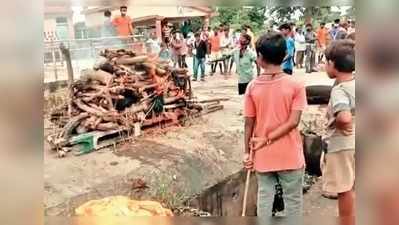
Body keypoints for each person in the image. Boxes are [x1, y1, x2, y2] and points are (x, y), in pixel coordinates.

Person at [243, 32, 307, 223]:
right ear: (286, 55)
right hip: (290, 155)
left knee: (264, 198)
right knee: (293, 201)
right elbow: (293, 122)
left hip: (262, 154)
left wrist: (247, 152)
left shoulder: (252, 87)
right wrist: (268, 138)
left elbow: (248, 123)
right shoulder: (296, 85)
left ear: (260, 58)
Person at [322, 39, 355, 225]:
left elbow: (344, 117)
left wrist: (344, 123)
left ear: (332, 64)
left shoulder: (339, 90)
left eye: (326, 62)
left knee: (345, 189)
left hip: (343, 146)